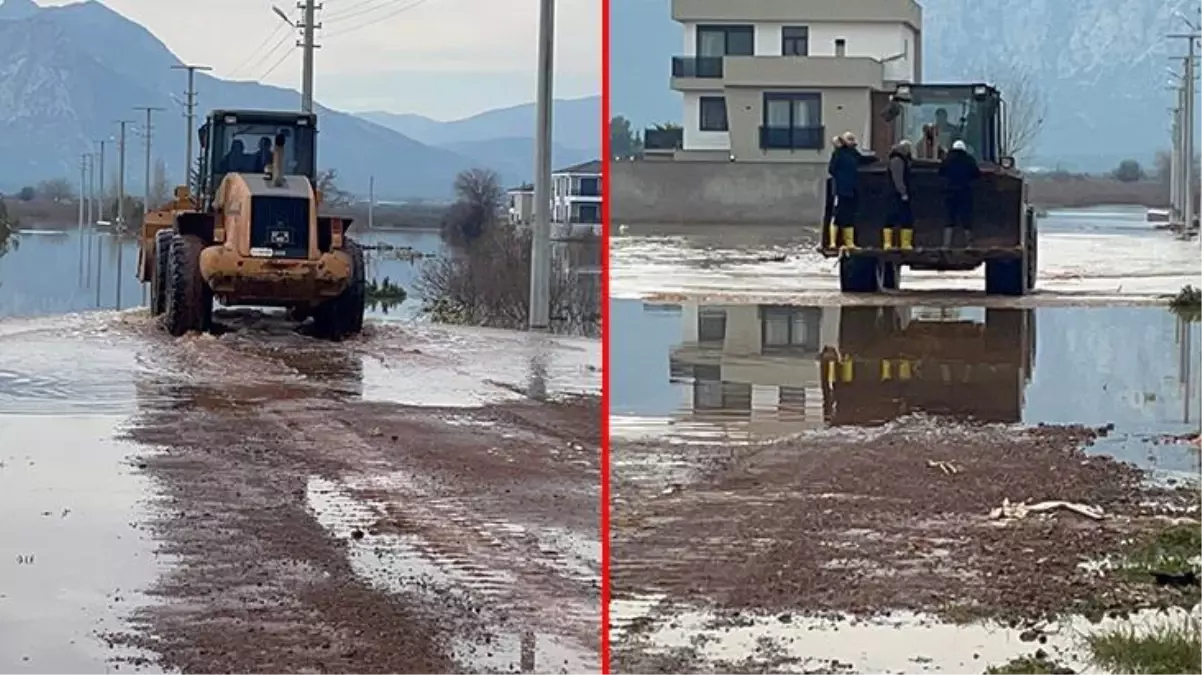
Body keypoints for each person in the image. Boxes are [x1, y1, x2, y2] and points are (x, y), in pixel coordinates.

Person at [827, 131, 876, 249]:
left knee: (849, 215)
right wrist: (841, 179)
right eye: (850, 140)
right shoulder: (838, 153)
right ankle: (833, 242)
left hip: (852, 189)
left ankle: (849, 242)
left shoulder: (853, 153)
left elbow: (862, 159)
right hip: (841, 190)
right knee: (838, 214)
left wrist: (874, 159)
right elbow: (831, 169)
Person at [938, 139, 982, 248]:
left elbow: (941, 173)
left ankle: (946, 244)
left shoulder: (947, 160)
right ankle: (969, 243)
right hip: (964, 192)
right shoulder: (969, 160)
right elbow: (976, 174)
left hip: (949, 193)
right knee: (966, 218)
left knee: (949, 218)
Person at [886, 140, 914, 250]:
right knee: (896, 217)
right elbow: (898, 178)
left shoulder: (898, 159)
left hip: (895, 194)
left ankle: (903, 243)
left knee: (902, 217)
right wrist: (903, 192)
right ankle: (893, 243)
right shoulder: (897, 160)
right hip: (896, 194)